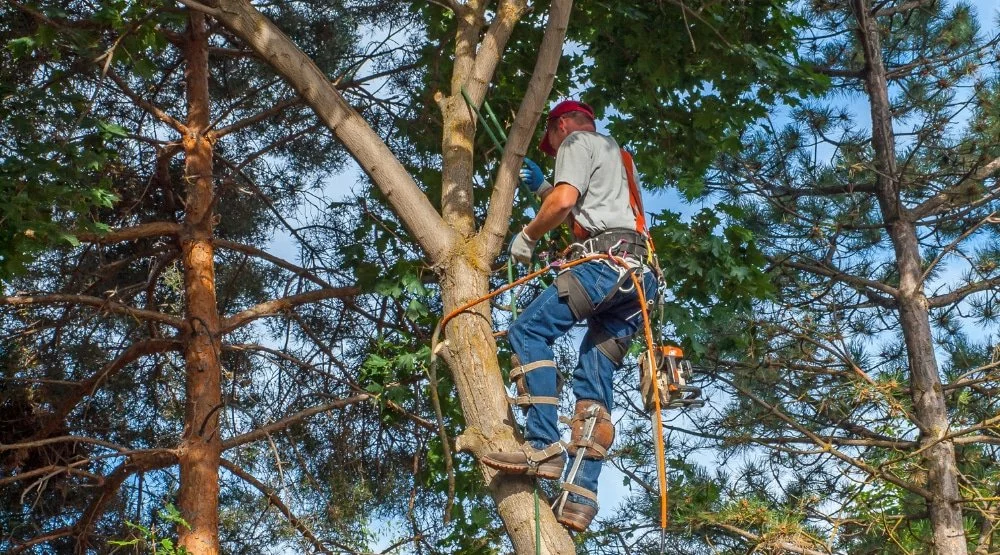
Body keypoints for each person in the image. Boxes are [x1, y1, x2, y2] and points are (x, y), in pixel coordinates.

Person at [482, 100, 659, 532]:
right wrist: (543, 189)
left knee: (528, 331)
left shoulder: (578, 140)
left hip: (606, 267)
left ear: (562, 127)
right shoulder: (620, 158)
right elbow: (591, 216)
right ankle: (580, 498)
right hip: (639, 282)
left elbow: (565, 202)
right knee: (594, 380)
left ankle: (542, 446)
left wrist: (527, 234)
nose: (555, 151)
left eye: (552, 143)